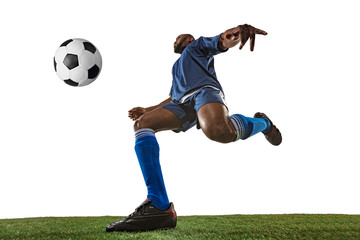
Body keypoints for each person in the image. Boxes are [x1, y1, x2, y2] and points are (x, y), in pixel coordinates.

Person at [106, 24, 282, 232]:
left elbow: (223, 40)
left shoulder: (197, 46)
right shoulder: (176, 66)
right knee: (142, 124)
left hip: (203, 92)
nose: (178, 39)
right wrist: (147, 109)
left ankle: (263, 123)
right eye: (177, 38)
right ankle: (159, 205)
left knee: (219, 132)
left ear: (190, 41)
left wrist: (236, 33)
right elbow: (172, 97)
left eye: (184, 36)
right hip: (181, 103)